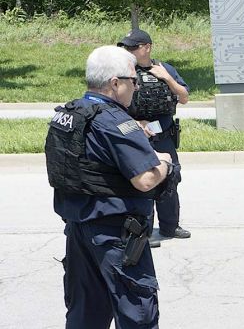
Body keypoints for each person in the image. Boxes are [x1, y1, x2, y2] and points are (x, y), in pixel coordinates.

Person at [45, 45, 176, 327]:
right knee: (137, 314)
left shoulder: (68, 115)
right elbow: (145, 179)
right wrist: (165, 164)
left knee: (86, 314)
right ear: (115, 83)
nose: (137, 86)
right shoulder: (115, 122)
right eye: (133, 81)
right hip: (117, 236)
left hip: (79, 229)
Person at [118, 28, 191, 239]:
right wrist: (135, 122)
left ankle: (170, 226)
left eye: (134, 47)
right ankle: (143, 232)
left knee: (170, 178)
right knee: (143, 182)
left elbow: (184, 97)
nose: (129, 51)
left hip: (164, 136)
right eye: (127, 48)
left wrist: (168, 78)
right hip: (136, 136)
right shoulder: (125, 72)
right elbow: (114, 105)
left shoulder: (165, 69)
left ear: (147, 47)